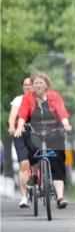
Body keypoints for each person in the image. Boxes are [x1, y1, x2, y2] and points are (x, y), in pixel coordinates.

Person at [13, 72, 72, 208]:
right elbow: (22, 114)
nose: (38, 85)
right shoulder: (28, 98)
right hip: (36, 132)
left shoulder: (55, 96)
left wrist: (66, 124)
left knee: (57, 159)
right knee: (32, 148)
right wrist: (20, 127)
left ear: (46, 84)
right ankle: (33, 175)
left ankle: (60, 197)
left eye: (41, 82)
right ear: (32, 86)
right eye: (35, 83)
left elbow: (61, 111)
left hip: (54, 131)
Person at [7, 76, 33, 208]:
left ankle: (41, 181)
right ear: (22, 87)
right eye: (25, 85)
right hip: (20, 133)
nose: (27, 86)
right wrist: (12, 126)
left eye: (30, 84)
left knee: (37, 162)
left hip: (37, 134)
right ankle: (24, 197)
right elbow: (12, 117)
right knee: (24, 164)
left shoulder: (39, 99)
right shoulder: (18, 100)